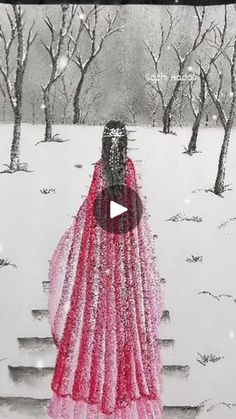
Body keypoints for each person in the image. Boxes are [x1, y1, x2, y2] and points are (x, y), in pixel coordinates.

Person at [48, 120, 164, 418]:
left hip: (113, 253)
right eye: (112, 139)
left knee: (109, 316)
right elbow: (105, 208)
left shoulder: (115, 168)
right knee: (109, 315)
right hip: (110, 252)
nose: (113, 145)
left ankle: (110, 386)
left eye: (115, 139)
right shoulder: (116, 168)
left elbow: (113, 209)